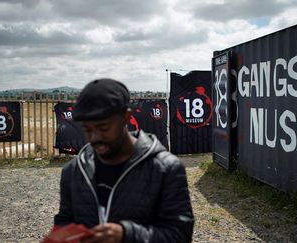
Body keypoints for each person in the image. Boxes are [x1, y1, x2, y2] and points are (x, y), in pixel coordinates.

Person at [53, 78, 194, 243]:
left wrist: (127, 234)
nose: (95, 138)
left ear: (126, 117)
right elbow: (64, 224)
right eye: (87, 130)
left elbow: (180, 235)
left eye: (104, 128)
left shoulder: (166, 168)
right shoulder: (73, 171)